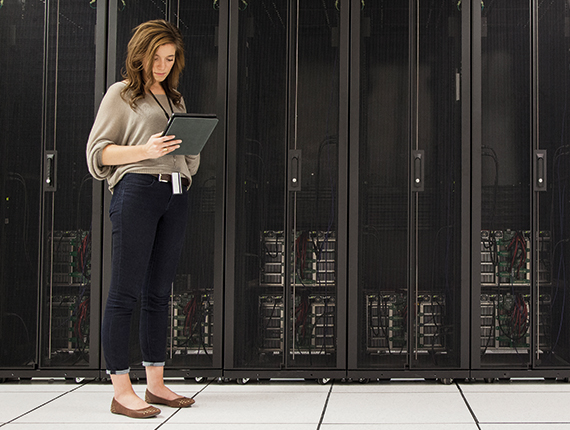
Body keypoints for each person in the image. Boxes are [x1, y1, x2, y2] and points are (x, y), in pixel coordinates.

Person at [86, 19, 197, 418]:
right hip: (137, 191)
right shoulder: (122, 95)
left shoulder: (175, 99)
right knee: (125, 292)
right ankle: (120, 390)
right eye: (156, 58)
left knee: (159, 293)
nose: (163, 66)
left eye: (170, 59)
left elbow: (185, 156)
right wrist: (145, 150)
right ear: (140, 55)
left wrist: (189, 153)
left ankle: (155, 386)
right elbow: (97, 154)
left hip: (176, 193)